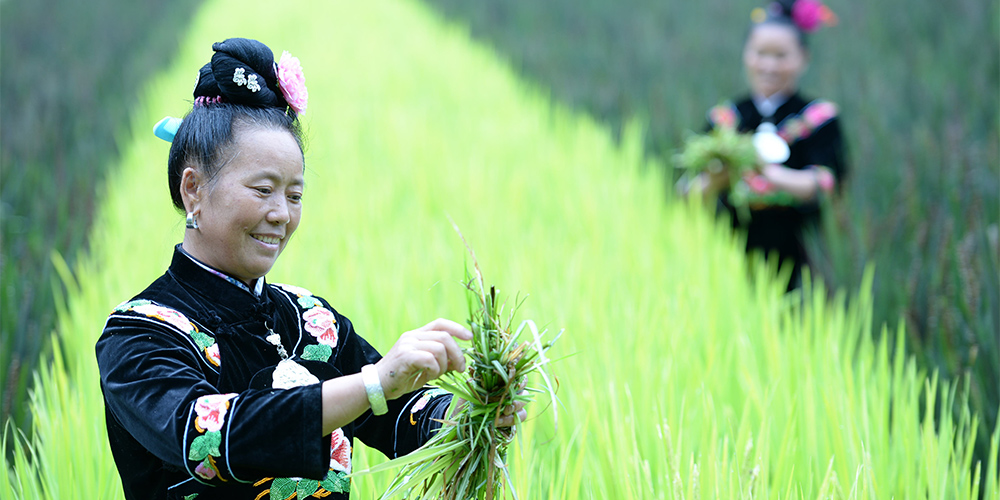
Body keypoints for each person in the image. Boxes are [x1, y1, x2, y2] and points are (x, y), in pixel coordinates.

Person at [96, 38, 525, 500]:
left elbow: (396, 414)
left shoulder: (309, 320)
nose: (281, 213)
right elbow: (206, 435)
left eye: (294, 195)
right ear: (194, 190)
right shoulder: (140, 334)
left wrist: (474, 414)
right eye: (263, 190)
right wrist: (374, 383)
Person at [685, 0, 846, 290]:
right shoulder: (725, 119)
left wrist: (770, 174)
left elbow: (826, 180)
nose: (769, 65)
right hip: (729, 250)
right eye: (760, 54)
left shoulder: (819, 118)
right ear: (746, 55)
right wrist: (715, 180)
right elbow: (688, 192)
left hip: (800, 252)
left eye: (781, 55)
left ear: (803, 58)